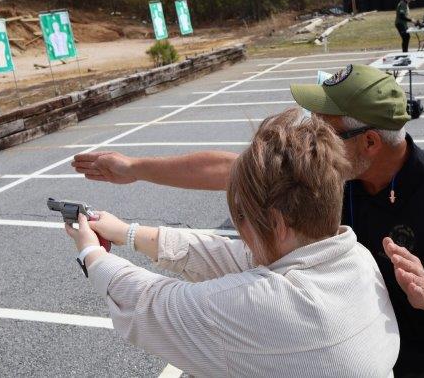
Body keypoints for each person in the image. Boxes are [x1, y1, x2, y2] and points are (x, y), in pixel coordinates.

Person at [72, 65, 424, 377]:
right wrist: (133, 169)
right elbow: (230, 171)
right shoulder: (329, 172)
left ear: (368, 142)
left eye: (322, 129)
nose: (311, 138)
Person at [66, 109, 400, 377]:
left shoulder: (268, 305)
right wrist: (128, 232)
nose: (240, 232)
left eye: (242, 218)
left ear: (277, 224)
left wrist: (90, 252)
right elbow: (232, 257)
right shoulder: (355, 258)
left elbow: (149, 304)